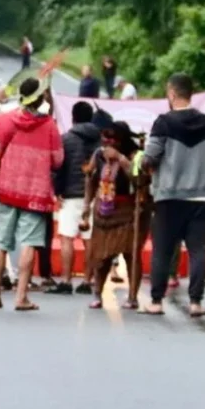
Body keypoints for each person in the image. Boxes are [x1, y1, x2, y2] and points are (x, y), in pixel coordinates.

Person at [0, 75, 64, 311]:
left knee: (1, 241)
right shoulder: (49, 126)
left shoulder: (4, 120)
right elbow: (58, 161)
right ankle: (21, 297)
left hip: (7, 188)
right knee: (29, 243)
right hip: (36, 192)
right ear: (41, 98)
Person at [141, 73, 205, 317]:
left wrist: (147, 169)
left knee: (163, 250)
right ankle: (196, 303)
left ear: (171, 93)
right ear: (191, 93)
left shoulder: (163, 123)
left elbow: (150, 157)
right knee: (198, 250)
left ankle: (156, 302)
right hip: (201, 196)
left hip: (169, 197)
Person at [82, 121, 145, 309]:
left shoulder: (136, 155)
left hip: (129, 211)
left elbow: (140, 179)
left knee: (130, 254)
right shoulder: (98, 155)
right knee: (101, 256)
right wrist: (87, 204)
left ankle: (132, 296)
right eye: (105, 138)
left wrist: (121, 159)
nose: (107, 143)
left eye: (112, 139)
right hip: (104, 210)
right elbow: (90, 178)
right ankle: (97, 294)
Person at [52, 101, 100, 294]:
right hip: (94, 196)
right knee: (90, 239)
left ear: (73, 117)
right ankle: (87, 281)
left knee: (67, 238)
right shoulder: (100, 140)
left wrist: (58, 191)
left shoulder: (66, 139)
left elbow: (58, 168)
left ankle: (66, 280)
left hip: (70, 195)